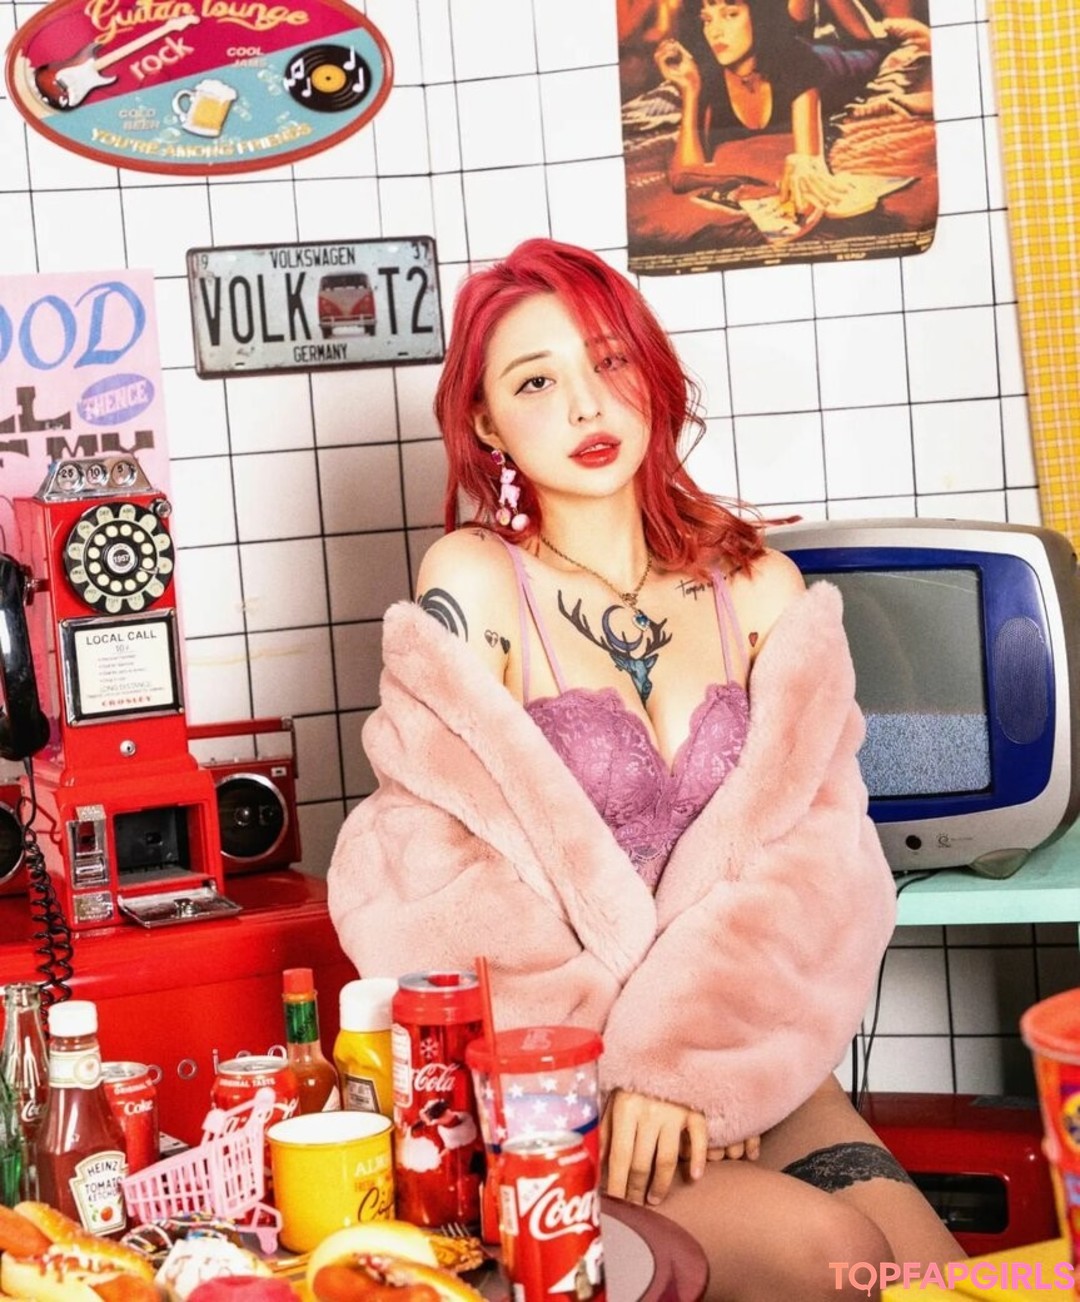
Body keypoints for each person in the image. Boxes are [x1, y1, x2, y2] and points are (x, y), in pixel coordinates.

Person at [327, 238, 963, 1300]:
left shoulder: (756, 586)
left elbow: (822, 853)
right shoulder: (476, 581)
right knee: (827, 1260)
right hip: (557, 1094)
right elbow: (427, 871)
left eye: (609, 362)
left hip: (745, 1052)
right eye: (537, 382)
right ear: (485, 423)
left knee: (936, 1277)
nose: (586, 404)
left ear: (651, 374)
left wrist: (691, 1068)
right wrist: (617, 1081)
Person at [655, 0, 890, 215]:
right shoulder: (708, 77)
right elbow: (684, 175)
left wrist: (801, 164)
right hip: (790, 38)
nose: (715, 32)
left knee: (877, 47)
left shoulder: (797, 63)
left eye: (730, 15)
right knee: (794, 25)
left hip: (837, 60)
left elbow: (809, 166)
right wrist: (690, 90)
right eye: (707, 20)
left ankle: (873, 36)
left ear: (759, 17)